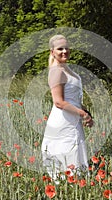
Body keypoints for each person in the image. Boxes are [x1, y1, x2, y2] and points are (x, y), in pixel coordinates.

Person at [41, 35, 94, 180]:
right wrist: (83, 114)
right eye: (60, 49)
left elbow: (73, 99)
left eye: (66, 48)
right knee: (65, 154)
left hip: (73, 119)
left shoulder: (67, 69)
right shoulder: (56, 71)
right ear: (52, 52)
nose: (64, 51)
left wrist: (86, 112)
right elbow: (59, 102)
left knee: (75, 155)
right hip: (63, 121)